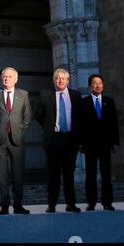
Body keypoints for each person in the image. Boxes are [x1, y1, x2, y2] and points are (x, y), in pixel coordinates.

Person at [0, 67, 32, 215]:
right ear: (2, 78)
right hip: (0, 140)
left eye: (10, 77)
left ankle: (18, 205)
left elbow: (27, 116)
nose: (6, 79)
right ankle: (4, 206)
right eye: (4, 76)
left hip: (17, 139)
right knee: (2, 175)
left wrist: (20, 129)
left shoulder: (23, 94)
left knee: (18, 174)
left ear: (16, 79)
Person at [36, 68, 81, 213]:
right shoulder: (45, 94)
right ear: (54, 80)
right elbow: (39, 115)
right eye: (57, 78)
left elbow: (79, 118)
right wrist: (49, 127)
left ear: (68, 81)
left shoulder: (76, 95)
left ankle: (71, 204)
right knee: (53, 174)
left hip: (70, 140)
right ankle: (52, 204)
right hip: (53, 140)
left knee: (69, 174)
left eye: (63, 78)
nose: (60, 80)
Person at [80, 74, 119, 211]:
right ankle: (91, 202)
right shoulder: (84, 103)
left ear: (103, 85)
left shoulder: (109, 101)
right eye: (95, 83)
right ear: (90, 86)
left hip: (106, 144)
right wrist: (81, 143)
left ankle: (107, 202)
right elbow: (81, 125)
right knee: (90, 173)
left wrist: (114, 142)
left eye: (100, 83)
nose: (98, 85)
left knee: (106, 173)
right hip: (90, 145)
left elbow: (114, 123)